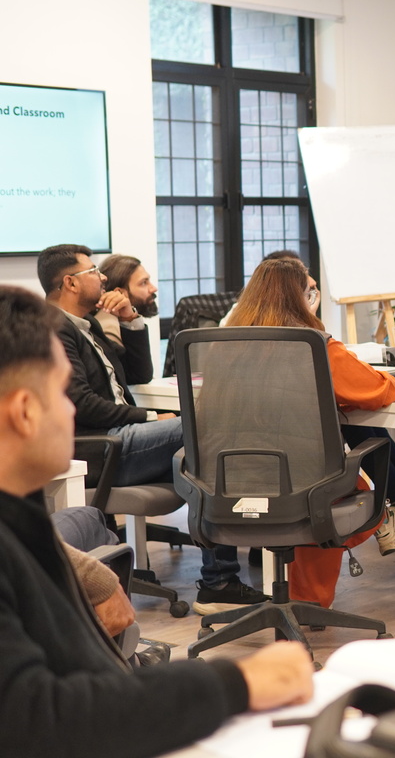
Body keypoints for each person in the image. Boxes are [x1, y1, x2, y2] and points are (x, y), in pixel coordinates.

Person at [0, 284, 313, 758]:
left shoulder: (20, 517)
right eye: (61, 392)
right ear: (25, 412)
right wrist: (238, 682)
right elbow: (39, 722)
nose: (70, 409)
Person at [37, 244, 268, 615]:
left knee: (205, 453)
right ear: (70, 283)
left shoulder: (86, 324)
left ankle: (220, 581)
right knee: (208, 425)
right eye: (92, 271)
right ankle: (220, 579)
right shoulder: (53, 328)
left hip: (119, 438)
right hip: (101, 447)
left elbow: (140, 375)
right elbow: (81, 404)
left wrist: (130, 320)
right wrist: (148, 418)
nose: (102, 277)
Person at [225, 257, 395, 605]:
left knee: (305, 479)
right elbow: (380, 390)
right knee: (322, 485)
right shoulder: (315, 345)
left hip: (229, 481)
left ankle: (301, 604)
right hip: (306, 485)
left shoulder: (224, 346)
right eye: (310, 292)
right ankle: (309, 603)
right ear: (300, 299)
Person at [95, 253, 160, 348]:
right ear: (119, 293)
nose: (153, 289)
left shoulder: (127, 323)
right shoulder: (108, 332)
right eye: (143, 283)